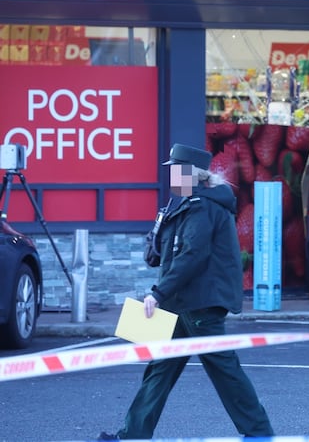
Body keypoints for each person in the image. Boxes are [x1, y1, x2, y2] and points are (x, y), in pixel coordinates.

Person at [99, 143, 275, 440]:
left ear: (192, 174)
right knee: (160, 371)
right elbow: (165, 254)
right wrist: (158, 232)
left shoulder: (203, 207)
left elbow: (192, 255)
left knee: (225, 371)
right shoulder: (185, 205)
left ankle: (260, 433)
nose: (170, 177)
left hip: (200, 303)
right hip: (181, 304)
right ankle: (132, 435)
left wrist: (158, 293)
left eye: (176, 171)